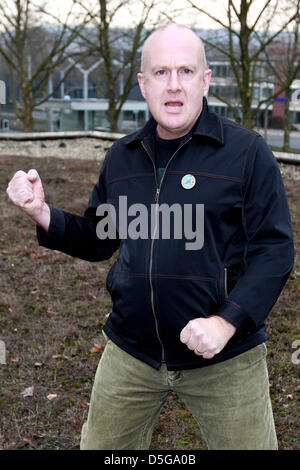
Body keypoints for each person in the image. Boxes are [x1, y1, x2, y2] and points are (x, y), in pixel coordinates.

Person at [6, 24, 294, 450]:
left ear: (205, 80)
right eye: (160, 72)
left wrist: (225, 321)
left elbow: (275, 252)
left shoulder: (248, 153)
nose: (173, 85)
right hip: (131, 353)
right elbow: (99, 237)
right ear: (142, 83)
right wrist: (42, 213)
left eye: (185, 71)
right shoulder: (122, 158)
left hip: (224, 356)